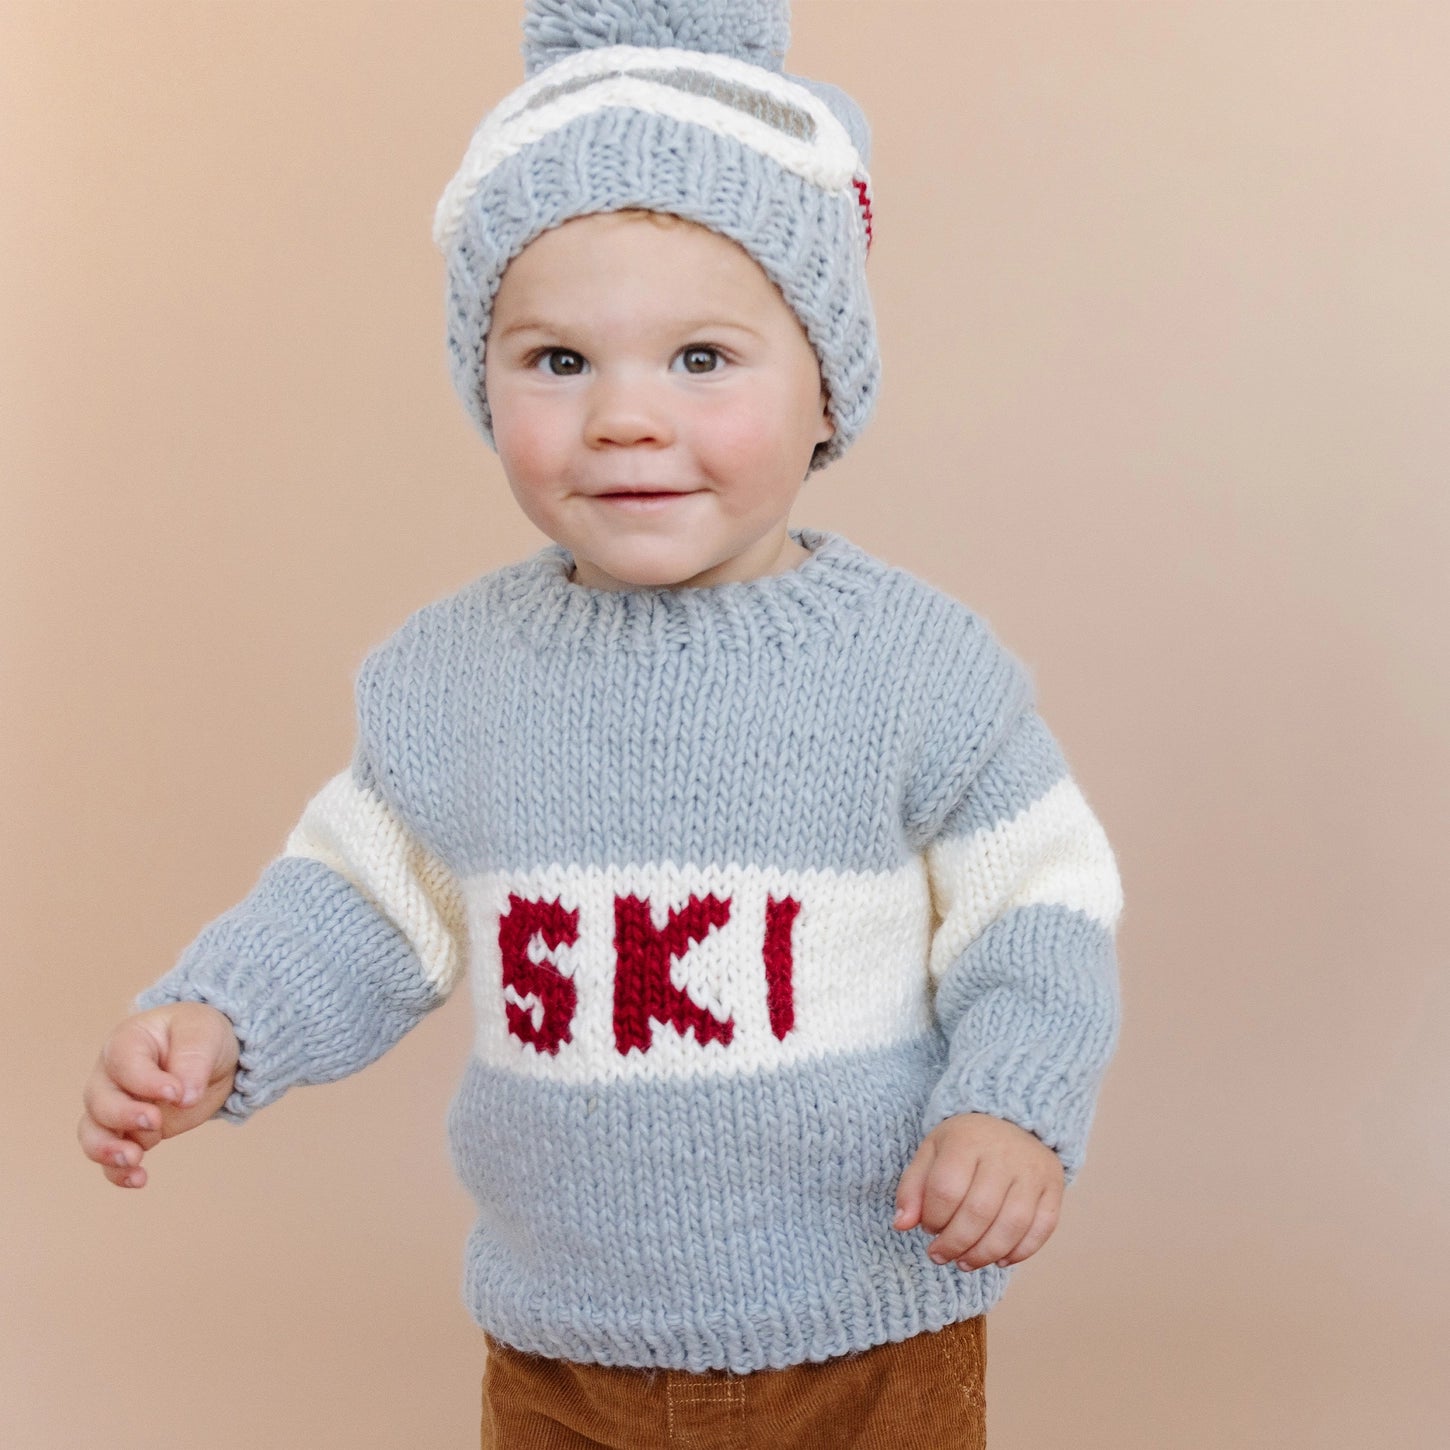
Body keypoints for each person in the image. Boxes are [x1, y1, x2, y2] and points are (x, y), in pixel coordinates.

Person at [77, 2, 1124, 1445]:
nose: (626, 416)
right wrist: (222, 1016)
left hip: (868, 1330)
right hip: (563, 1346)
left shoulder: (912, 667)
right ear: (484, 376)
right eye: (557, 361)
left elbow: (1040, 909)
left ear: (825, 384)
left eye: (702, 358)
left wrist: (1010, 1103)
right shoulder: (453, 676)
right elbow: (361, 906)